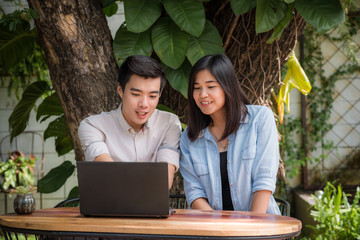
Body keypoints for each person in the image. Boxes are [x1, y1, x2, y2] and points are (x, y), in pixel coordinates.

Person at [180, 54, 281, 214]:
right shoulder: (189, 137)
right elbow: (195, 193)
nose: (202, 94)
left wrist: (251, 230)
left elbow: (264, 181)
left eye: (211, 86)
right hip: (213, 231)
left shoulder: (260, 119)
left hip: (260, 228)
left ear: (227, 86)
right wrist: (219, 230)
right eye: (196, 88)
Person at [78, 55, 181, 189]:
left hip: (152, 208)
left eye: (152, 96)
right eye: (136, 94)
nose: (144, 104)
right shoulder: (93, 126)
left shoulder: (169, 124)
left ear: (159, 95)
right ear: (120, 90)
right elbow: (108, 174)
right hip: (108, 208)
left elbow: (162, 183)